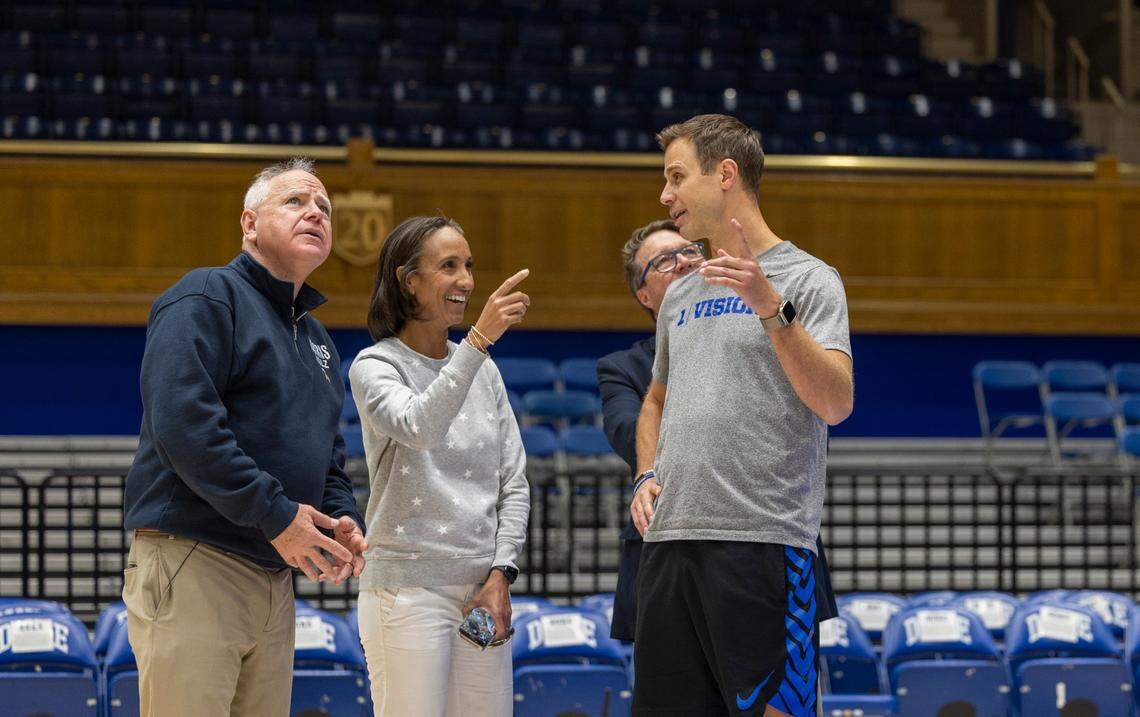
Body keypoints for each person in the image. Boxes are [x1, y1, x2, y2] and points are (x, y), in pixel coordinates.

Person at [122, 157, 368, 717]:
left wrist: (338, 518)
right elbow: (184, 427)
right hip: (196, 558)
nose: (315, 213)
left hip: (274, 575)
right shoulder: (206, 296)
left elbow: (329, 455)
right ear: (249, 224)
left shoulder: (319, 340)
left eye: (324, 208)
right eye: (296, 202)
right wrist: (276, 514)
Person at [630, 115, 854, 717]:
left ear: (725, 174)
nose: (665, 195)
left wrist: (772, 309)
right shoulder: (678, 295)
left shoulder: (809, 280)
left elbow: (836, 401)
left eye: (677, 177)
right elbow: (655, 400)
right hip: (670, 548)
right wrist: (645, 475)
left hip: (763, 548)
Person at [598, 220, 839, 665]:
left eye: (691, 250)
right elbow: (624, 428)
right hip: (669, 547)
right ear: (644, 295)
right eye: (665, 261)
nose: (685, 261)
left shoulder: (762, 324)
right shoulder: (622, 366)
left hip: (763, 540)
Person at [349, 215, 531, 717]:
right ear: (410, 281)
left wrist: (501, 573)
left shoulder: (484, 370)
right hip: (407, 589)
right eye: (449, 266)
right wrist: (477, 342)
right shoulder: (374, 366)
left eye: (468, 266)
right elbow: (419, 426)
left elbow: (513, 481)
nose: (468, 281)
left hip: (482, 589)